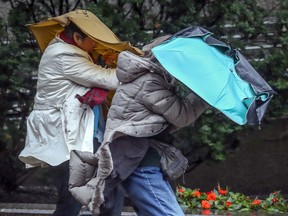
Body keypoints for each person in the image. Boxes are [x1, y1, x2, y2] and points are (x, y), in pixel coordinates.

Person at [69, 36, 210, 215]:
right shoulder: (150, 82)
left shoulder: (150, 78)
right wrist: (206, 94)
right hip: (140, 163)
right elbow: (181, 115)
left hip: (137, 158)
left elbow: (163, 122)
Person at [18, 10, 121, 216]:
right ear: (76, 38)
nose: (95, 45)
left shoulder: (73, 51)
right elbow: (109, 80)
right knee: (72, 197)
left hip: (80, 133)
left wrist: (109, 63)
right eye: (92, 41)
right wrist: (121, 66)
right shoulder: (65, 55)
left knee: (109, 187)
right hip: (67, 137)